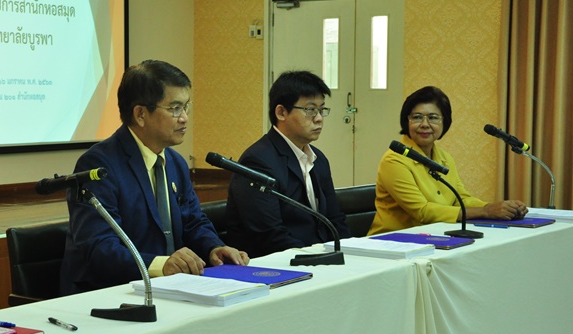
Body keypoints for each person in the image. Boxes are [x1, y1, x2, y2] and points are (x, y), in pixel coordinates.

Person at [60, 60, 249, 295]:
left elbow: (193, 222)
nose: (184, 118)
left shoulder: (175, 163)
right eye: (175, 108)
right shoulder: (99, 165)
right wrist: (160, 265)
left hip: (169, 288)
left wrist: (214, 248)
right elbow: (100, 248)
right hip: (109, 293)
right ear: (140, 114)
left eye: (186, 107)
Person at [368, 86, 528, 235]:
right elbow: (422, 212)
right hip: (393, 242)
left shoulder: (445, 158)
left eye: (433, 118)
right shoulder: (394, 160)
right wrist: (486, 212)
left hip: (434, 235)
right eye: (417, 117)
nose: (425, 124)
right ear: (406, 121)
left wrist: (500, 208)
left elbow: (461, 198)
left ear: (444, 123)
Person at [225, 70, 351, 258]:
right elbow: (270, 235)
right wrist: (317, 259)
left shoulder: (319, 159)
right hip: (276, 264)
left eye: (322, 110)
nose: (319, 118)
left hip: (317, 258)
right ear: (281, 112)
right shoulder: (258, 161)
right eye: (310, 110)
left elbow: (335, 219)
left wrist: (351, 253)